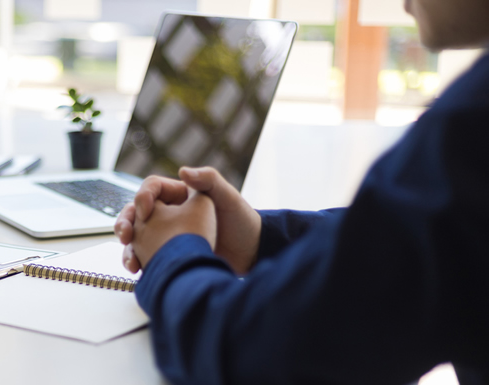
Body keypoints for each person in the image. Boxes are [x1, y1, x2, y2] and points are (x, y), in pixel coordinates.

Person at [114, 0, 489, 383]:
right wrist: (261, 237)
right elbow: (412, 235)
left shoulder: (473, 126)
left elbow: (253, 356)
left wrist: (172, 255)